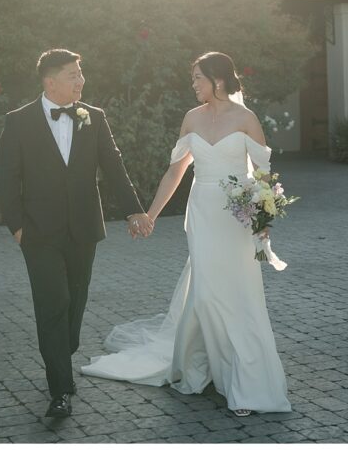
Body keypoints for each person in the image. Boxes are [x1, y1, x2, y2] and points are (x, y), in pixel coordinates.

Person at [80, 51, 292, 416]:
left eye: (197, 78)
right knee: (208, 294)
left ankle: (244, 382)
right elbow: (174, 173)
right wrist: (150, 215)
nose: (193, 84)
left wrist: (263, 216)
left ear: (218, 80)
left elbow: (263, 175)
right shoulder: (191, 118)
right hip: (202, 213)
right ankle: (201, 367)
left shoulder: (246, 119)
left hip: (236, 216)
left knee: (236, 294)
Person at [0, 48, 151, 421]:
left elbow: (113, 165)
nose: (81, 80)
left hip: (83, 229)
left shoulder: (93, 118)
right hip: (38, 233)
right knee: (53, 306)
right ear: (50, 81)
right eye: (72, 75)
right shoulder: (18, 122)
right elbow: (5, 180)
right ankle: (60, 391)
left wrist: (134, 210)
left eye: (81, 74)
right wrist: (17, 228)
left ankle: (61, 357)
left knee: (75, 303)